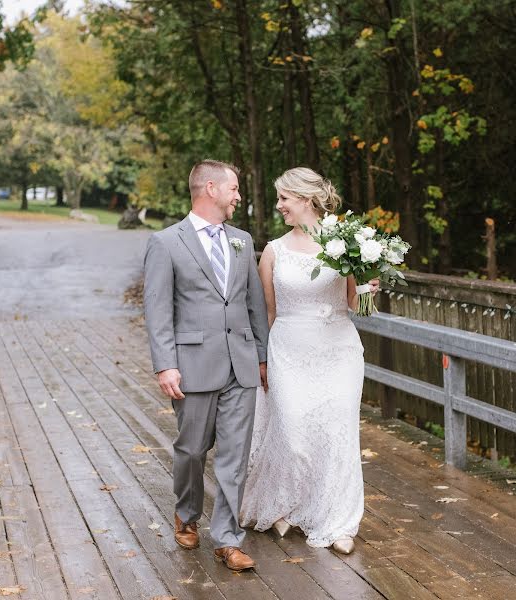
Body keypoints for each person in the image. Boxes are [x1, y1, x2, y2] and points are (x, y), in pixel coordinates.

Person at [240, 167, 379, 554]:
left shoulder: (346, 245)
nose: (279, 205)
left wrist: (370, 284)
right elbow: (267, 312)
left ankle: (339, 523)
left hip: (339, 351)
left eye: (284, 198)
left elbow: (356, 304)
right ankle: (286, 504)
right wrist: (262, 360)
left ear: (305, 199)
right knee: (295, 433)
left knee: (338, 435)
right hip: (288, 350)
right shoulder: (274, 251)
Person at [143, 159, 269, 571]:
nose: (238, 196)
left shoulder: (242, 240)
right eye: (233, 188)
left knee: (235, 454)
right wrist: (165, 365)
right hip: (192, 363)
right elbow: (158, 308)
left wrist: (263, 358)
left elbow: (254, 304)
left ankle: (228, 540)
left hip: (242, 365)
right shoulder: (166, 242)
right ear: (210, 189)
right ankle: (186, 512)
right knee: (192, 450)